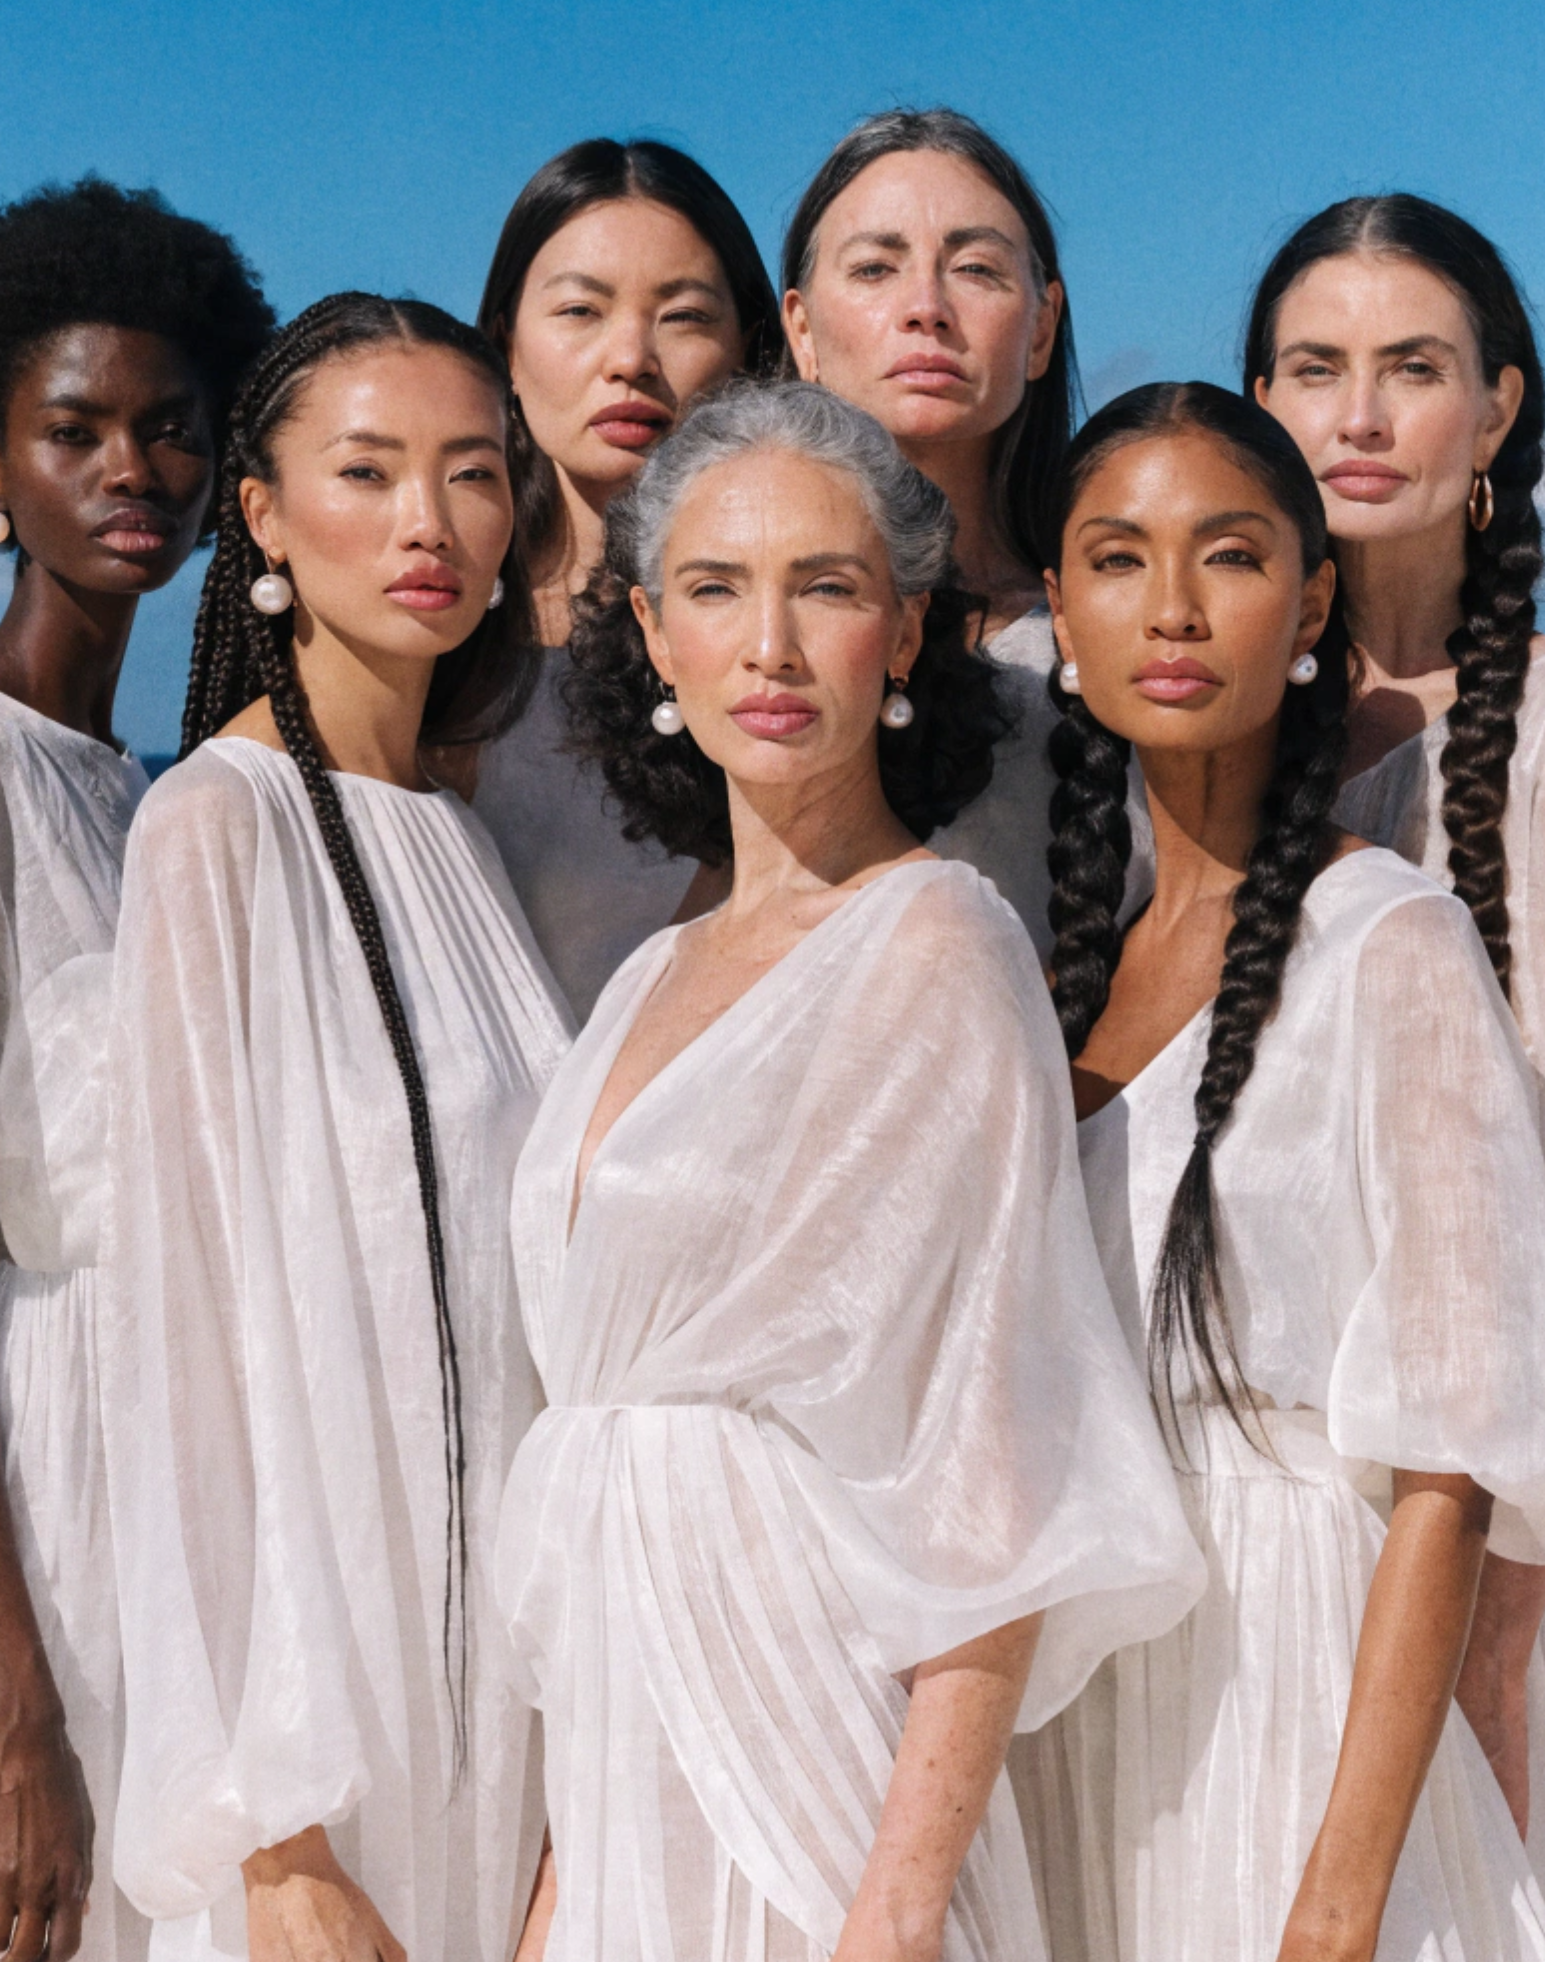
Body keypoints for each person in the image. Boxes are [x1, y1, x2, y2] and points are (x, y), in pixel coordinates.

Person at [496, 381, 1204, 1960]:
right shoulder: (644, 976)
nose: (769, 645)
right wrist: (559, 1880)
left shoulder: (936, 945)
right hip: (626, 1757)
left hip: (813, 1750)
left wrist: (893, 1910)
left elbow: (992, 1463)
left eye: (824, 588)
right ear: (651, 632)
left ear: (903, 632)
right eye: (716, 588)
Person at [1020, 381, 1545, 1961]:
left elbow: (1451, 1468)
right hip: (1083, 1723)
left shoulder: (1393, 941)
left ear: (1311, 605)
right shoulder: (1060, 982)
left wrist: (1336, 1901)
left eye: (1231, 555)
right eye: (1118, 558)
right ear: (1056, 609)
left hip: (1293, 1697)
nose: (1173, 608)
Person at [97, 294, 571, 1962]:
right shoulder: (213, 830)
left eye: (471, 473)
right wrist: (275, 1838)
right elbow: (181, 1350)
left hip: (501, 1678)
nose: (427, 522)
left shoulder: (461, 843)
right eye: (367, 472)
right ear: (265, 514)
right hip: (327, 1709)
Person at [1246, 195, 1545, 1846]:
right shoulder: (1174, 725)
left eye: (1412, 369)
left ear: (1498, 410)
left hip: (1502, 1503)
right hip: (1256, 1504)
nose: (1357, 417)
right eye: (1315, 369)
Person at [0, 176, 273, 1962]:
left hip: (183, 1472)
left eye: (172, 428)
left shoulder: (156, 794)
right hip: (43, 1491)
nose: (132, 470)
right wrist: (14, 1712)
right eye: (74, 427)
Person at [780, 106, 1149, 954]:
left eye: (975, 268)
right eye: (874, 268)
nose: (925, 308)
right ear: (801, 329)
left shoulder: (1130, 623)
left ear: (1041, 327)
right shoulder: (728, 629)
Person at [465, 138, 780, 1018]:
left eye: (682, 316)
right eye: (580, 310)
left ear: (746, 350)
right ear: (507, 345)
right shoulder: (431, 622)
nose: (631, 358)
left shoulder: (782, 639)